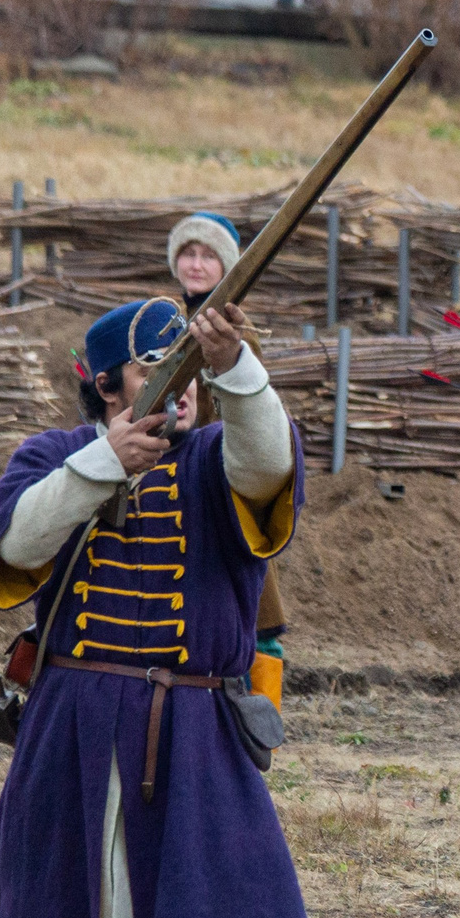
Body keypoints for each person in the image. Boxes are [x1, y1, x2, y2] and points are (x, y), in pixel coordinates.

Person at [0, 295, 314, 918]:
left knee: (222, 914)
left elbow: (268, 465)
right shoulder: (51, 456)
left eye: (189, 366)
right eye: (161, 365)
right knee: (44, 890)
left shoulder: (217, 460)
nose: (178, 384)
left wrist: (238, 370)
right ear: (108, 380)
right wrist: (98, 466)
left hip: (194, 720)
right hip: (72, 711)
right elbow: (21, 543)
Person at [166, 214, 292, 698]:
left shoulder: (239, 335)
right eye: (188, 253)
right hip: (166, 486)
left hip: (222, 486)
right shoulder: (161, 321)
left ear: (228, 266)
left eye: (208, 255)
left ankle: (255, 738)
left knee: (251, 626)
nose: (196, 265)